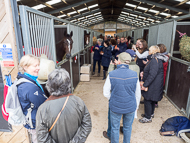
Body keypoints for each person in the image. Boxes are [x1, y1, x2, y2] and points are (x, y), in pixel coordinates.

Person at [36, 69, 92, 143]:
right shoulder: (78, 101)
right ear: (68, 84)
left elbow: (42, 138)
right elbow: (87, 125)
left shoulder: (42, 109)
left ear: (49, 85)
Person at [103, 52, 141, 143]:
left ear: (119, 61)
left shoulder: (112, 74)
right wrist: (136, 106)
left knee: (115, 128)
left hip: (115, 106)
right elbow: (138, 94)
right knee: (127, 128)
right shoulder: (134, 74)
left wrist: (112, 99)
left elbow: (105, 92)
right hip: (130, 106)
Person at [17, 54, 47, 143]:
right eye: (35, 66)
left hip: (33, 119)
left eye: (38, 65)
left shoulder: (27, 79)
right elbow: (43, 105)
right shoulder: (29, 87)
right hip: (35, 123)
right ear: (25, 67)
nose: (38, 68)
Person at [139, 45, 164, 123]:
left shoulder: (154, 60)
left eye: (149, 50)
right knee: (152, 100)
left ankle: (147, 117)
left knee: (148, 100)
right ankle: (150, 113)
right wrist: (144, 72)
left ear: (153, 52)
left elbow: (152, 74)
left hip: (153, 84)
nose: (148, 52)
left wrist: (145, 84)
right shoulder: (156, 59)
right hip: (156, 83)